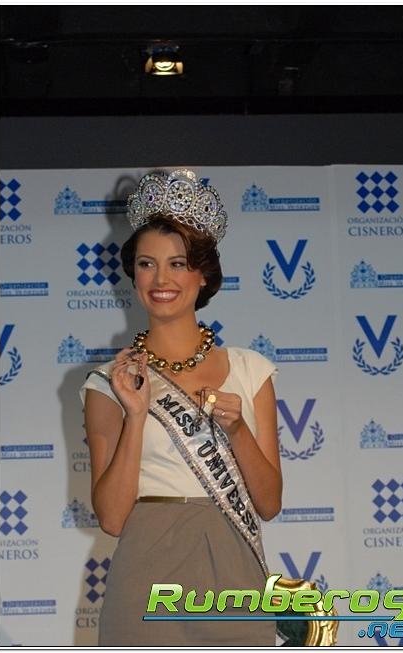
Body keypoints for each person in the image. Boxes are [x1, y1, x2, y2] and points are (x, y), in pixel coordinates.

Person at [79, 168, 282, 646]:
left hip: (233, 571)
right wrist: (135, 414)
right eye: (147, 264)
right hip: (145, 574)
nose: (161, 278)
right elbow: (112, 518)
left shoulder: (251, 370)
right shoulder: (107, 383)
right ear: (133, 274)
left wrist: (237, 430)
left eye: (178, 263)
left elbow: (270, 503)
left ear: (202, 274)